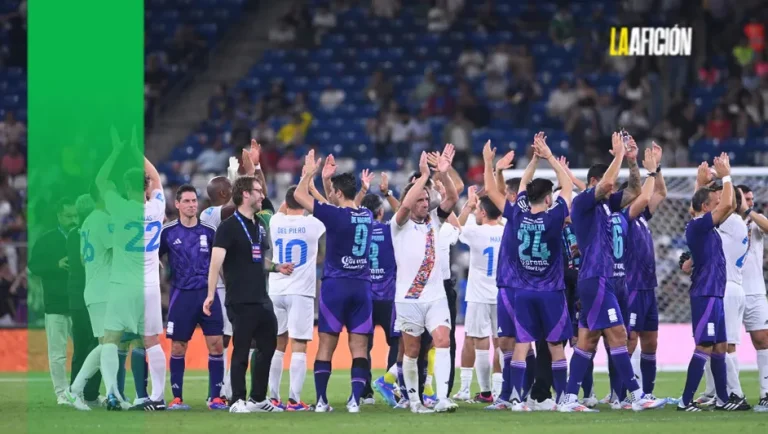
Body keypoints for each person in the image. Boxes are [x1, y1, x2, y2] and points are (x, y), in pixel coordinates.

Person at [559, 132, 665, 412]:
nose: (613, 186)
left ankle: (569, 399)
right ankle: (635, 395)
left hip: (603, 279)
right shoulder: (583, 202)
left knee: (588, 340)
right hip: (595, 279)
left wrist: (632, 161)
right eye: (607, 183)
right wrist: (617, 155)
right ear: (594, 183)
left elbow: (634, 192)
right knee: (618, 334)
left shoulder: (607, 205)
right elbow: (608, 181)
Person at [292, 152, 374, 413]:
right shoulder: (367, 216)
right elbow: (336, 208)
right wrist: (327, 185)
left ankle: (321, 401)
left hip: (335, 287)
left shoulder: (335, 216)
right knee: (359, 346)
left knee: (327, 344)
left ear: (338, 193)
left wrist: (310, 173)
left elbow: (298, 196)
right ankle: (354, 401)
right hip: (361, 287)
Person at [203, 176, 292, 414]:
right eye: (257, 191)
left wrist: (276, 266)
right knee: (241, 349)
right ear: (245, 195)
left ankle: (258, 399)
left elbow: (255, 258)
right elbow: (215, 263)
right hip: (240, 300)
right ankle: (237, 400)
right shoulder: (228, 227)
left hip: (262, 298)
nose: (262, 195)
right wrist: (211, 294)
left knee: (268, 346)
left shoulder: (258, 226)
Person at [96, 131, 167, 411]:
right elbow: (158, 177)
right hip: (150, 286)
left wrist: (117, 151)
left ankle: (113, 393)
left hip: (122, 284)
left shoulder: (121, 207)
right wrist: (137, 150)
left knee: (112, 338)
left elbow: (101, 181)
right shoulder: (156, 207)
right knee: (151, 340)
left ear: (126, 186)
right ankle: (157, 397)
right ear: (147, 187)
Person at [504, 133, 574, 412]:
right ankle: (561, 401)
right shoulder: (554, 215)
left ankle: (519, 400)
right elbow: (567, 183)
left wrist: (534, 157)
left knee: (522, 344)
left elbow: (522, 183)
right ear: (548, 199)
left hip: (523, 291)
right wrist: (549, 157)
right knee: (555, 345)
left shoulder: (518, 212)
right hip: (550, 292)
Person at [200, 140, 271, 401]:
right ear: (223, 194)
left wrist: (255, 169)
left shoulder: (246, 219)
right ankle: (224, 392)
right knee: (231, 342)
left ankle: (228, 392)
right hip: (223, 285)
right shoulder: (213, 214)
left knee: (237, 341)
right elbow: (240, 203)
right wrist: (243, 175)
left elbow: (257, 202)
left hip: (238, 283)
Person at [390, 149, 459, 414]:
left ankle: (442, 398)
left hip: (435, 296)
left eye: (426, 199)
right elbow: (405, 205)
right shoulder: (398, 224)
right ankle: (415, 401)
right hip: (408, 298)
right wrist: (424, 175)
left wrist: (443, 173)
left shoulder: (433, 219)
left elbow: (452, 197)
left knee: (443, 340)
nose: (424, 203)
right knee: (412, 349)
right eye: (420, 199)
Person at [159, 184, 227, 411]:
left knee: (216, 345)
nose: (191, 205)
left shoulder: (209, 231)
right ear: (177, 204)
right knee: (178, 347)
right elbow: (152, 258)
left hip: (208, 295)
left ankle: (215, 397)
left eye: (193, 201)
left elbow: (220, 263)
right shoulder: (167, 232)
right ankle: (177, 398)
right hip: (181, 296)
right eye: (186, 201)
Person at [677, 154, 737, 412]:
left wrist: (701, 184)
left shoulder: (703, 225)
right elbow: (727, 206)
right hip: (705, 293)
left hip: (716, 292)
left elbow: (726, 205)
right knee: (704, 345)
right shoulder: (698, 226)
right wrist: (725, 176)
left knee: (720, 346)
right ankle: (684, 401)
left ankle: (723, 399)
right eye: (712, 202)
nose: (718, 204)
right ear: (705, 208)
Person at [693, 167, 751, 411]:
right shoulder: (730, 225)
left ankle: (735, 395)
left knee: (721, 346)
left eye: (720, 195)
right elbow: (699, 214)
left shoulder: (733, 221)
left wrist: (723, 178)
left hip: (726, 287)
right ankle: (717, 393)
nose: (716, 198)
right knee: (719, 343)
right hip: (730, 286)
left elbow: (703, 212)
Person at [266, 186, 326, 411]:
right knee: (299, 344)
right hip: (300, 292)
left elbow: (283, 206)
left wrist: (300, 185)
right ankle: (294, 400)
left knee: (277, 345)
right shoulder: (312, 224)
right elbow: (327, 209)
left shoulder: (276, 222)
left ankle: (273, 397)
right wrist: (310, 187)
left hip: (276, 291)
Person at [625, 143, 667, 404]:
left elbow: (660, 192)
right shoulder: (623, 216)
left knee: (650, 342)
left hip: (648, 288)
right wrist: (641, 168)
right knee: (628, 342)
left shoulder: (642, 217)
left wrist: (657, 169)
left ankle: (647, 392)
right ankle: (625, 393)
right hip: (629, 286)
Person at [454, 187, 503, 404]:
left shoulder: (475, 231)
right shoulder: (506, 230)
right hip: (502, 294)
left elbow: (453, 225)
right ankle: (501, 390)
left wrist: (468, 205)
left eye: (477, 211)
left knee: (480, 340)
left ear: (482, 211)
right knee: (501, 341)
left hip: (478, 295)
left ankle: (485, 392)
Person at [28, 196, 78, 405]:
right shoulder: (46, 240)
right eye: (69, 216)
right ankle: (61, 393)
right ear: (59, 216)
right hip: (56, 304)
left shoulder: (82, 235)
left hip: (80, 304)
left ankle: (82, 392)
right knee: (58, 354)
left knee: (85, 351)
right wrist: (56, 265)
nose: (74, 219)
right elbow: (34, 266)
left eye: (75, 215)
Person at [361, 192, 401, 406]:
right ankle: (390, 385)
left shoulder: (358, 230)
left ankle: (365, 392)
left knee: (362, 344)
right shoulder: (391, 231)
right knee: (395, 341)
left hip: (365, 295)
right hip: (388, 295)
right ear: (381, 211)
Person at [66, 194, 102, 407]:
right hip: (90, 294)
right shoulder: (91, 230)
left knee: (82, 346)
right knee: (95, 344)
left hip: (78, 296)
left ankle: (81, 392)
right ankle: (87, 392)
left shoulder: (73, 234)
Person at [736, 185, 768, 412]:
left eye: (752, 199)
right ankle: (730, 394)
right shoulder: (726, 220)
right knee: (723, 343)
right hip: (730, 289)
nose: (750, 202)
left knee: (763, 339)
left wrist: (748, 212)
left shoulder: (756, 220)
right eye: (746, 199)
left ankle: (766, 393)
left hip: (755, 290)